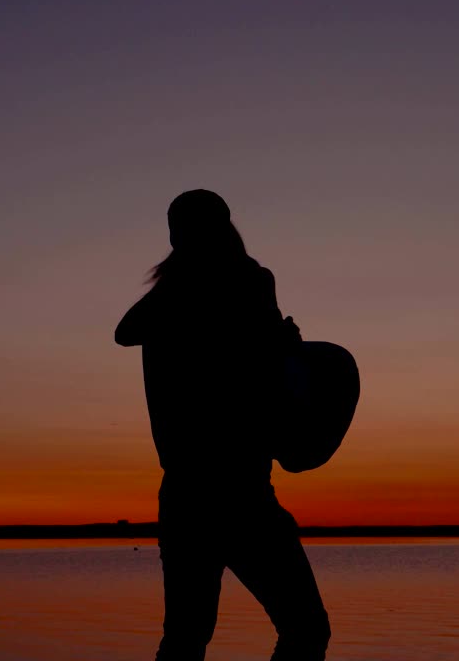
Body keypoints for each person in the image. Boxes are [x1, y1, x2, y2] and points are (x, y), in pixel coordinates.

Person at [116, 190, 331, 661]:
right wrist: (279, 342)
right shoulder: (241, 282)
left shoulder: (175, 295)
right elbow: (126, 333)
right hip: (237, 492)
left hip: (192, 495)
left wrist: (276, 344)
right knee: (304, 628)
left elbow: (129, 332)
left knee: (186, 638)